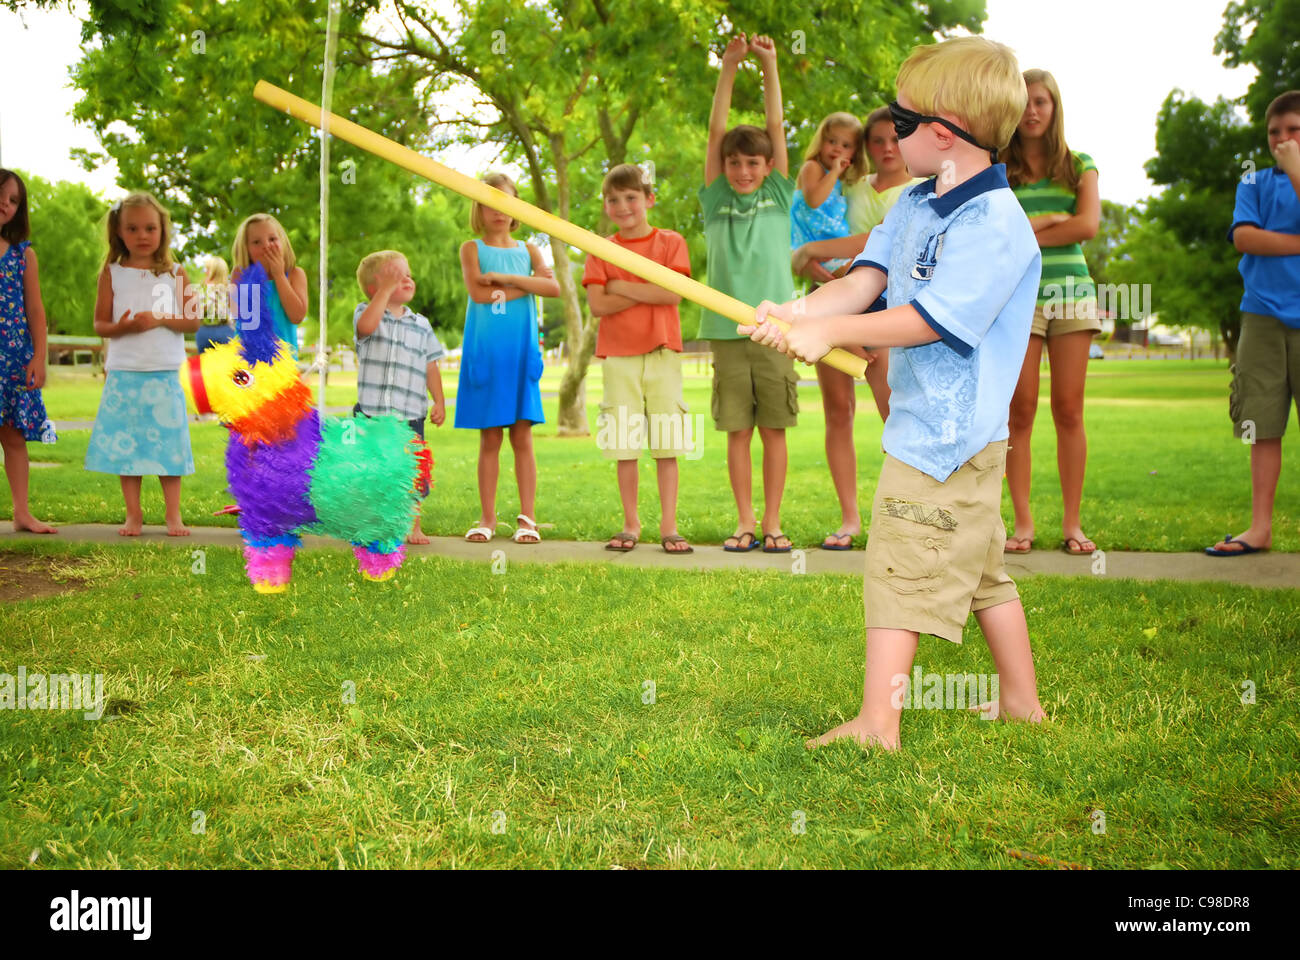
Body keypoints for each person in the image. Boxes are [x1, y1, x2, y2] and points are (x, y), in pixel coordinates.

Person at [741, 35, 1046, 749]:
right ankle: (1022, 702)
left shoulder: (997, 226)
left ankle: (879, 724)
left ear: (941, 135)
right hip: (933, 430)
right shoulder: (914, 204)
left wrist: (839, 333)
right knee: (983, 572)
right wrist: (802, 312)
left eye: (899, 123)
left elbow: (931, 320)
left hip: (949, 438)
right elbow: (866, 279)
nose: (889, 134)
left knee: (896, 568)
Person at [794, 106, 924, 549]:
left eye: (895, 139)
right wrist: (810, 259)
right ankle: (849, 520)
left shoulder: (918, 190)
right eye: (877, 141)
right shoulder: (851, 187)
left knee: (895, 413)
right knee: (838, 412)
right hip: (837, 306)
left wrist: (814, 248)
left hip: (887, 311)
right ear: (865, 148)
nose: (887, 148)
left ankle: (904, 517)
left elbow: (877, 243)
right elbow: (814, 212)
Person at [701, 32, 797, 554]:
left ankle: (774, 523)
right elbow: (717, 129)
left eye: (752, 163)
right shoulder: (716, 199)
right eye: (735, 163)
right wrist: (728, 67)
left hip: (777, 328)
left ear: (767, 167)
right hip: (727, 329)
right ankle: (745, 521)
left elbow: (775, 126)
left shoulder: (779, 196)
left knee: (774, 430)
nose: (742, 171)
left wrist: (769, 63)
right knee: (738, 431)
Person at [1002, 69, 1101, 555]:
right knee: (1019, 411)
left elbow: (1087, 226)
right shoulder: (999, 168)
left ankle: (1072, 524)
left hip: (1072, 294)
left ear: (1054, 106)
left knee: (1068, 409)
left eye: (1041, 101)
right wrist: (1048, 221)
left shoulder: (1080, 164)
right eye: (1023, 102)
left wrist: (1029, 233)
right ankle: (1022, 524)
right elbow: (996, 233)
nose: (1032, 111)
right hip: (1019, 297)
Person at [1207, 90, 1300, 557]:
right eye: (1274, 132)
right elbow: (1244, 237)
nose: (1282, 140)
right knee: (1261, 426)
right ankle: (1260, 527)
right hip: (1261, 313)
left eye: (1293, 131)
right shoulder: (1254, 181)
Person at [583, 163, 694, 554]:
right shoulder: (601, 249)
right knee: (623, 445)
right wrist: (648, 284)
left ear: (649, 199)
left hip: (662, 353)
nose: (622, 206)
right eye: (613, 199)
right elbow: (597, 304)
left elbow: (673, 294)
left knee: (667, 444)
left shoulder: (670, 242)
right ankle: (631, 524)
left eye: (631, 197)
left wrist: (620, 285)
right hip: (618, 358)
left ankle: (669, 526)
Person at [85, 192, 200, 536]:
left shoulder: (176, 273)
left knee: (169, 448)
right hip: (124, 372)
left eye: (150, 228)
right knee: (127, 446)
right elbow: (100, 324)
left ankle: (173, 515)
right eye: (133, 228)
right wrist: (126, 327)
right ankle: (133, 515)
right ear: (119, 232)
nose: (142, 235)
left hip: (164, 372)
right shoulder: (112, 273)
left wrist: (160, 318)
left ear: (162, 230)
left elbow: (193, 322)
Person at [455, 172, 560, 544]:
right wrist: (522, 285)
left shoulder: (529, 250)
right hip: (488, 355)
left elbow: (553, 287)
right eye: (489, 202)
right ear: (478, 208)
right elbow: (482, 296)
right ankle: (486, 518)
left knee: (522, 437)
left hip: (520, 355)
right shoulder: (471, 249)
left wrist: (503, 279)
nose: (498, 210)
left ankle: (527, 519)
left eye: (506, 202)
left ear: (516, 208)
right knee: (489, 439)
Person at [353, 249, 447, 545]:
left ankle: (412, 525)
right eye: (397, 274)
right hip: (372, 412)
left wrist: (439, 400)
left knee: (412, 472)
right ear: (374, 287)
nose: (406, 279)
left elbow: (430, 365)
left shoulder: (421, 325)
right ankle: (372, 523)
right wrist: (384, 292)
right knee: (372, 470)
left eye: (408, 274)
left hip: (410, 412)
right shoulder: (365, 313)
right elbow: (365, 328)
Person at [0, 168, 57, 534]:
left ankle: (22, 511)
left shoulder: (23, 256)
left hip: (13, 359)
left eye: (13, 200)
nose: (5, 205)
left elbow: (36, 310)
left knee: (13, 437)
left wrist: (39, 357)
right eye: (0, 195)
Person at [790, 112, 866, 283]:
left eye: (846, 145)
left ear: (855, 152)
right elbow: (814, 201)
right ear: (821, 142)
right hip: (816, 249)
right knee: (857, 279)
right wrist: (834, 172)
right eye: (832, 141)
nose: (837, 148)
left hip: (833, 248)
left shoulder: (839, 182)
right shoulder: (812, 167)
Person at [229, 214, 308, 360]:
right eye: (256, 242)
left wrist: (278, 275)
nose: (266, 245)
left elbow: (297, 316)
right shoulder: (239, 274)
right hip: (247, 363)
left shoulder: (295, 274)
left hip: (283, 364)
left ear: (282, 241)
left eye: (272, 239)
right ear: (246, 249)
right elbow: (237, 314)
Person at [195, 255, 235, 354]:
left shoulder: (228, 290)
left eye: (208, 269)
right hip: (208, 331)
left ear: (215, 272)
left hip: (222, 330)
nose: (205, 272)